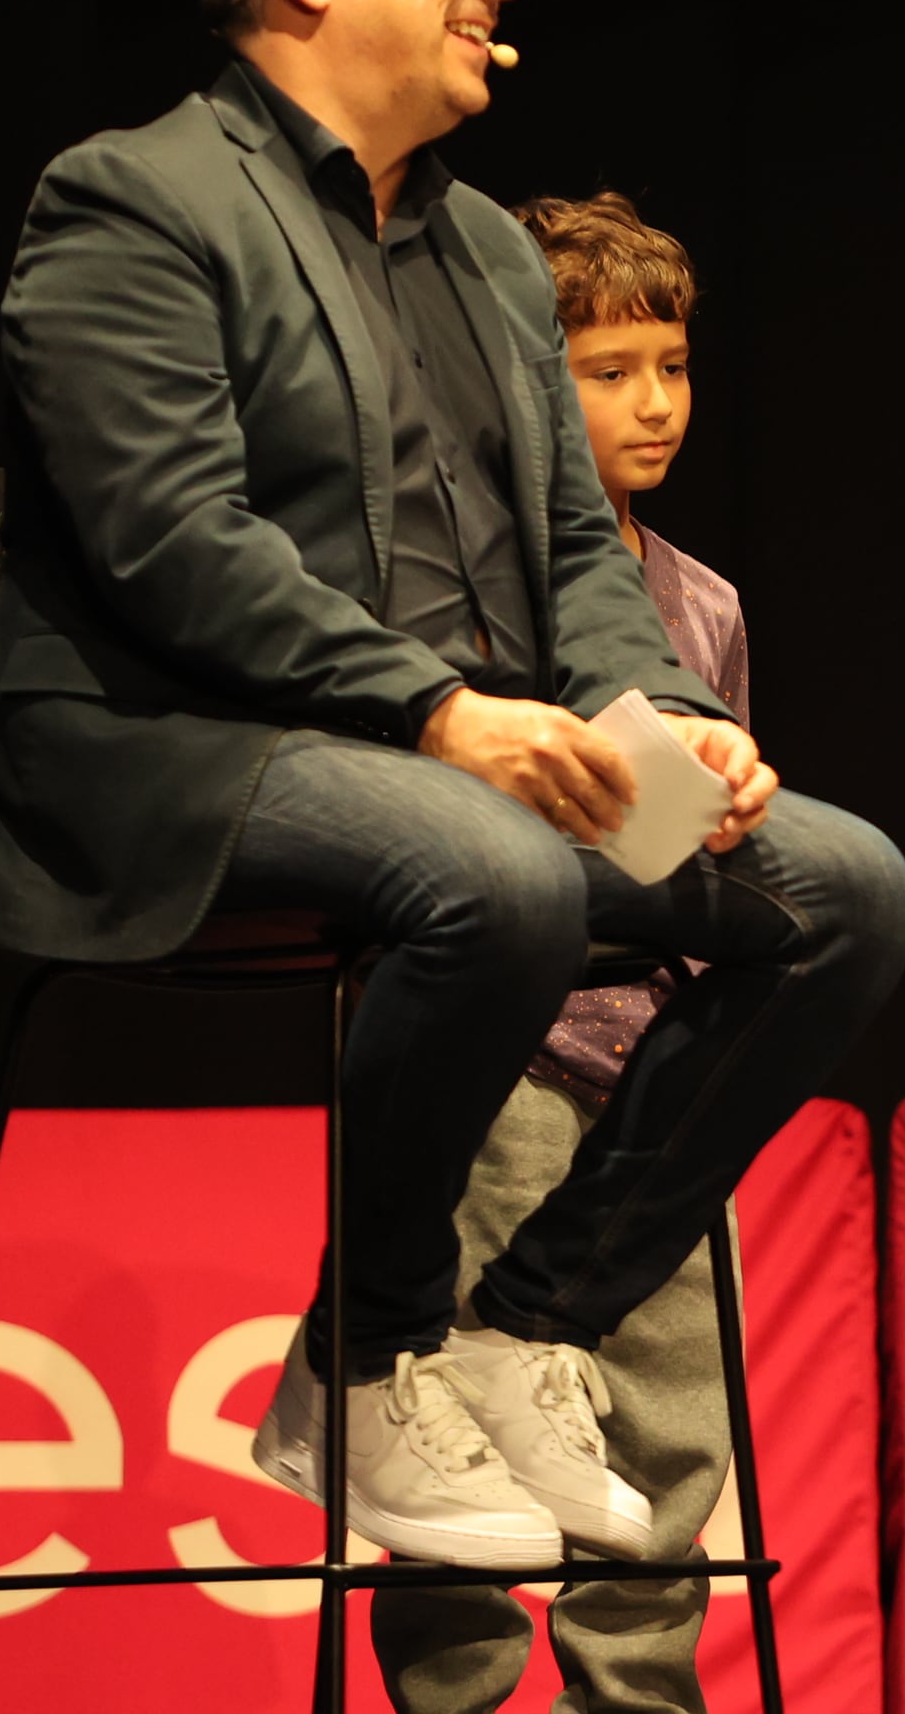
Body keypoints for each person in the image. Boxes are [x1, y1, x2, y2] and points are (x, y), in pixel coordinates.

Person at [0, 0, 905, 1574]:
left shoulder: (481, 248)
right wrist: (438, 712)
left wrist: (673, 722)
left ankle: (526, 1325)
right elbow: (172, 545)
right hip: (185, 757)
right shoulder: (135, 201)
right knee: (500, 874)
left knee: (840, 892)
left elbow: (573, 552)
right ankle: (368, 1357)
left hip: (468, 760)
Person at [370, 189, 750, 1712]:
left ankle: (637, 1696)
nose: (654, 404)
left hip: (661, 1056)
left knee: (667, 1422)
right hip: (506, 1052)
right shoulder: (449, 587)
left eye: (673, 365)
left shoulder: (703, 604)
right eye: (609, 372)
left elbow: (711, 850)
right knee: (453, 1423)